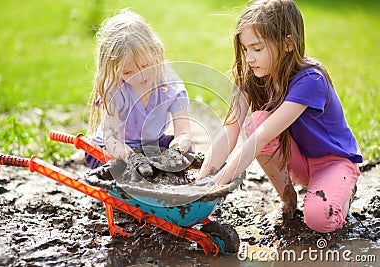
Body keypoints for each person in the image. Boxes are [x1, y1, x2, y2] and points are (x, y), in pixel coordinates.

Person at [197, 0, 362, 233]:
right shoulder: (253, 78)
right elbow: (229, 130)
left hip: (332, 162)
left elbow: (261, 139)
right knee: (256, 121)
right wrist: (201, 183)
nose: (250, 58)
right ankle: (288, 198)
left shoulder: (310, 80)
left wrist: (217, 185)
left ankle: (343, 193)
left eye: (257, 49)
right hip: (298, 160)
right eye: (246, 50)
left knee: (319, 220)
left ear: (287, 44)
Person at [86, 9, 192, 170]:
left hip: (153, 144)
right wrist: (133, 159)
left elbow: (184, 133)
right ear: (114, 70)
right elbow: (111, 137)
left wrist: (175, 152)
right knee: (116, 168)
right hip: (115, 149)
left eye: (145, 65)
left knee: (188, 154)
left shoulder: (168, 82)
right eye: (127, 72)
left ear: (155, 52)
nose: (139, 76)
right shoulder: (114, 87)